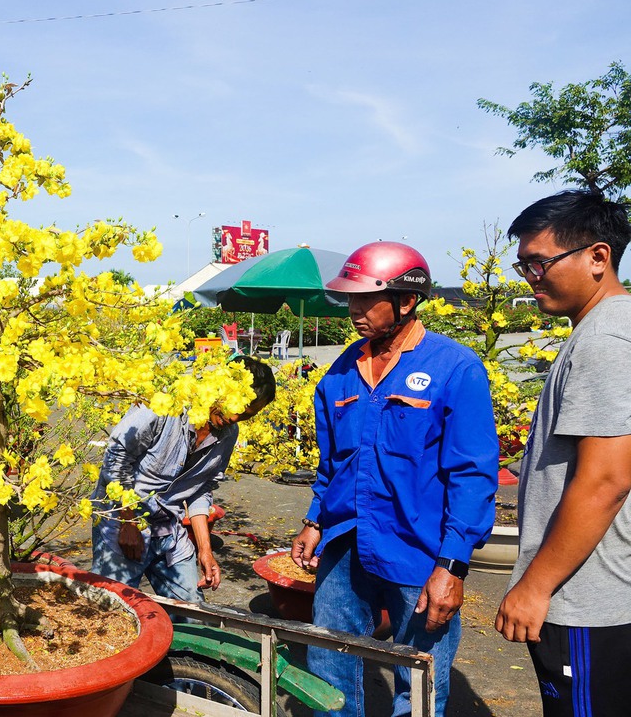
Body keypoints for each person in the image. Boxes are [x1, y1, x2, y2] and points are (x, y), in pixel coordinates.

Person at [291, 242, 498, 717]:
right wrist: (315, 519)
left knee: (420, 678)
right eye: (350, 299)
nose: (354, 311)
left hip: (421, 552)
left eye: (366, 299)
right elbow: (334, 461)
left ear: (406, 301)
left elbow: (473, 474)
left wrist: (452, 565)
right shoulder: (343, 368)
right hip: (345, 543)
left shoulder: (455, 368)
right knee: (329, 665)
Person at [494, 190, 631, 717]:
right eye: (523, 263)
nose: (530, 276)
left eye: (541, 262)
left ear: (599, 257)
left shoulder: (606, 341)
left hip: (589, 601)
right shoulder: (601, 332)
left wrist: (535, 585)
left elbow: (606, 482)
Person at [92, 356, 276, 603]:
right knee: (111, 610)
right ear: (218, 387)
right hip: (121, 523)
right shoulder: (164, 406)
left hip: (169, 529)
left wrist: (205, 550)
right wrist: (129, 522)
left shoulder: (228, 434)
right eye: (235, 408)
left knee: (193, 611)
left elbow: (202, 488)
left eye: (245, 416)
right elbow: (116, 457)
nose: (234, 419)